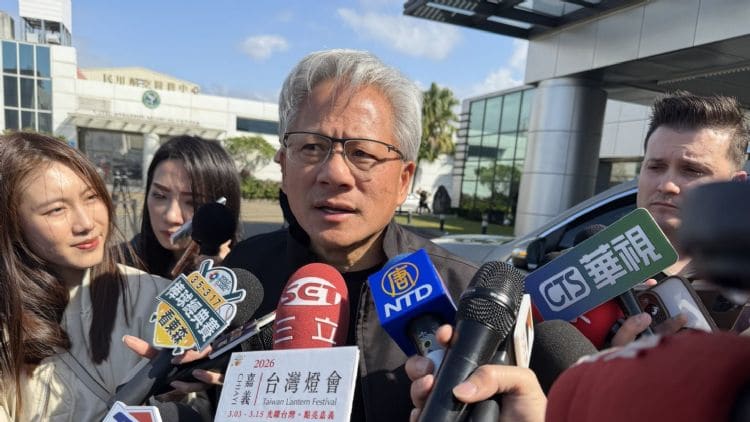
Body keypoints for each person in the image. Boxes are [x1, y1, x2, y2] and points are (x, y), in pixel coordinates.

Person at [407, 91, 750, 419]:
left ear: (736, 184)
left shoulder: (743, 308)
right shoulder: (569, 274)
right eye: (656, 166)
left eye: (692, 170)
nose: (667, 184)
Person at [220, 49, 479, 421]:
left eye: (362, 153)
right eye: (312, 147)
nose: (335, 174)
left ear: (404, 180)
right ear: (284, 167)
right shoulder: (244, 272)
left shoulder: (464, 296)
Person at [0, 132, 207, 420]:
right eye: (56, 210)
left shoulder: (160, 297)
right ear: (11, 221)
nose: (86, 223)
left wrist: (183, 388)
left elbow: (201, 407)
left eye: (91, 197)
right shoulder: (9, 314)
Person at [132, 135, 242, 278]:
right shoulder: (123, 260)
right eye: (159, 195)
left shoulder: (242, 273)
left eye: (193, 202)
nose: (171, 216)